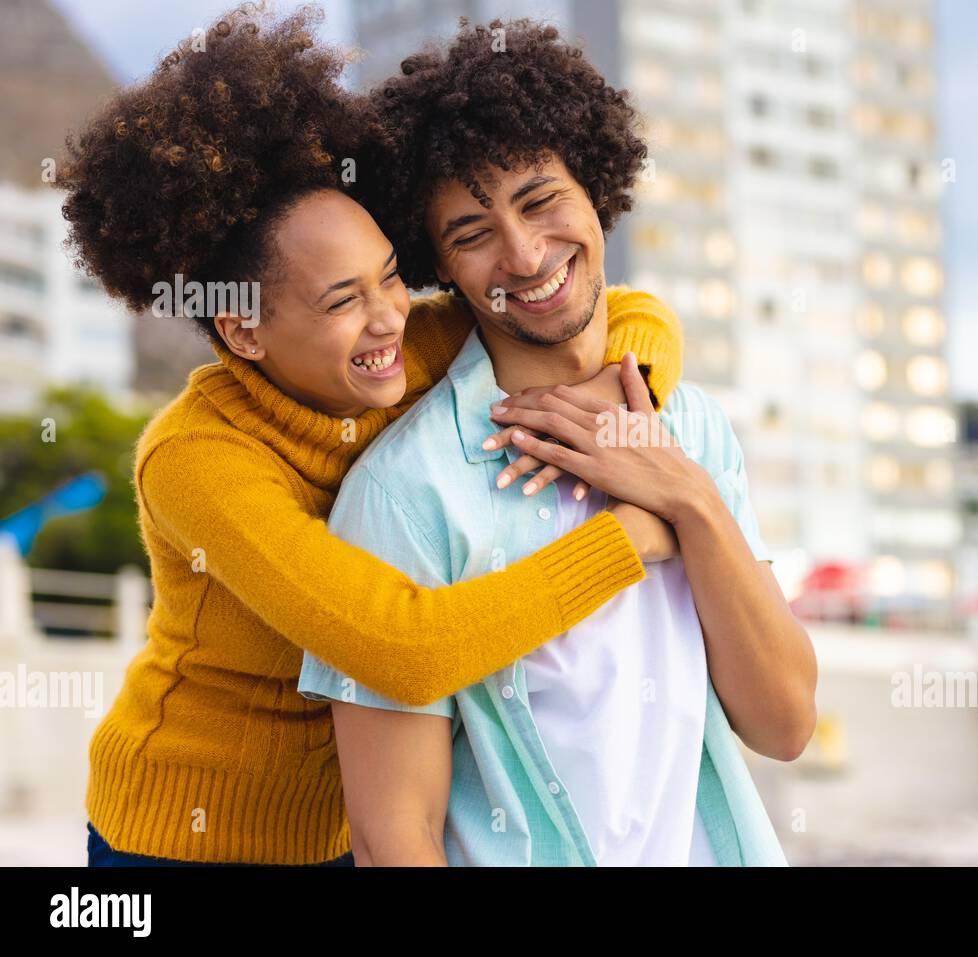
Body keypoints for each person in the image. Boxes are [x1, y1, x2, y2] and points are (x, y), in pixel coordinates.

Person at [56, 5, 684, 866]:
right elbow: (404, 647)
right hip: (179, 838)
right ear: (243, 331)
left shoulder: (400, 349)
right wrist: (631, 536)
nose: (390, 316)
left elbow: (620, 313)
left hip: (346, 831)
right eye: (342, 299)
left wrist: (627, 400)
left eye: (391, 276)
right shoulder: (198, 458)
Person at [299, 19, 818, 866]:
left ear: (597, 187)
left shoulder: (692, 428)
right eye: (471, 234)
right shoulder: (405, 492)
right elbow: (394, 836)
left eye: (541, 201)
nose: (525, 252)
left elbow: (785, 721)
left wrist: (685, 496)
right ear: (442, 269)